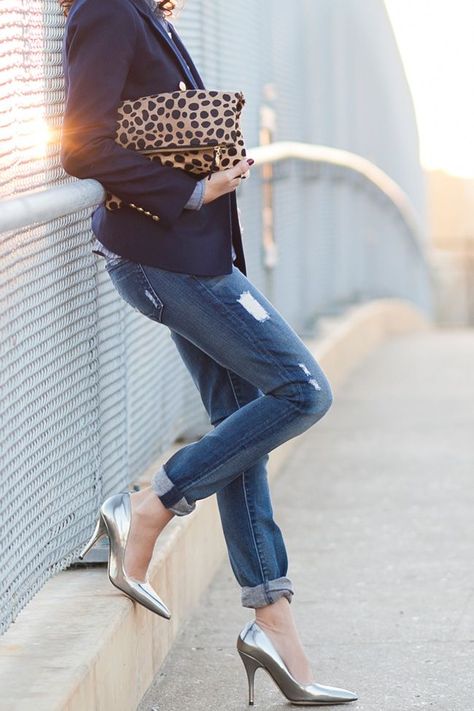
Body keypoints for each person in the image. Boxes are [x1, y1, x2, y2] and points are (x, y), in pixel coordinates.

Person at [60, 0, 357, 704]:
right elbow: (83, 144)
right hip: (167, 260)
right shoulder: (106, 9)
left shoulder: (147, 14)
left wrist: (215, 164)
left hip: (194, 257)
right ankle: (154, 500)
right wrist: (191, 188)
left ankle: (273, 625)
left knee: (237, 426)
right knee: (300, 389)